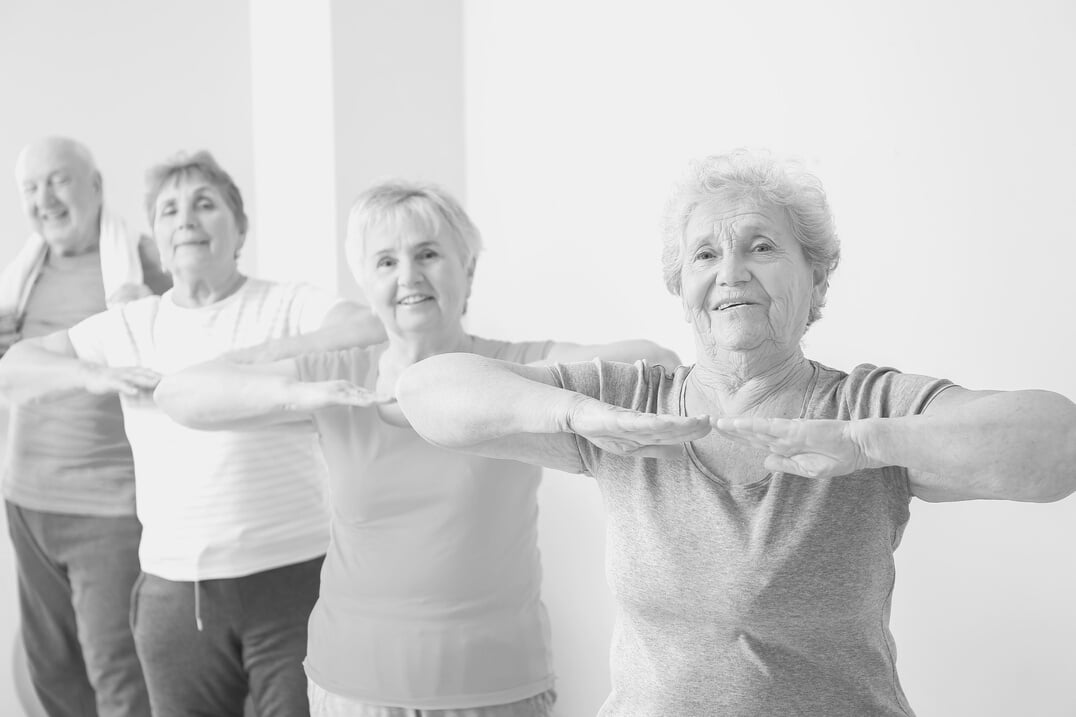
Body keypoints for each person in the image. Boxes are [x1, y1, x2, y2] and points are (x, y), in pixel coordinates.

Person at [391, 150, 1076, 716]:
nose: (731, 273)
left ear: (816, 277)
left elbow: (1060, 446)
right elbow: (426, 391)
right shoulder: (633, 403)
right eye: (705, 255)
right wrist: (578, 414)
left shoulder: (867, 403)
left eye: (761, 246)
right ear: (681, 284)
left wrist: (869, 444)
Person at [153, 180, 681, 717]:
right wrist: (301, 388)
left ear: (467, 269)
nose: (409, 275)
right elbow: (178, 394)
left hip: (497, 685)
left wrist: (497, 388)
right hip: (354, 685)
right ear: (367, 282)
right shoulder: (340, 377)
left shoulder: (519, 363)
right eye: (386, 262)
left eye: (428, 253)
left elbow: (654, 358)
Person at [0, 150, 384, 717]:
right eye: (169, 210)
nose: (186, 219)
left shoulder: (286, 304)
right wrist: (94, 373)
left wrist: (257, 359)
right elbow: (15, 367)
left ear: (239, 227)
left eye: (205, 204)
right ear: (155, 237)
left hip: (295, 583)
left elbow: (367, 325)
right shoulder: (132, 325)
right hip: (176, 596)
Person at [0, 136, 170, 717]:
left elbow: (185, 355)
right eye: (30, 187)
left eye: (58, 180)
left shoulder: (139, 265)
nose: (44, 198)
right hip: (26, 499)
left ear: (95, 186)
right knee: (53, 668)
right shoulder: (20, 277)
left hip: (107, 506)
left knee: (118, 670)